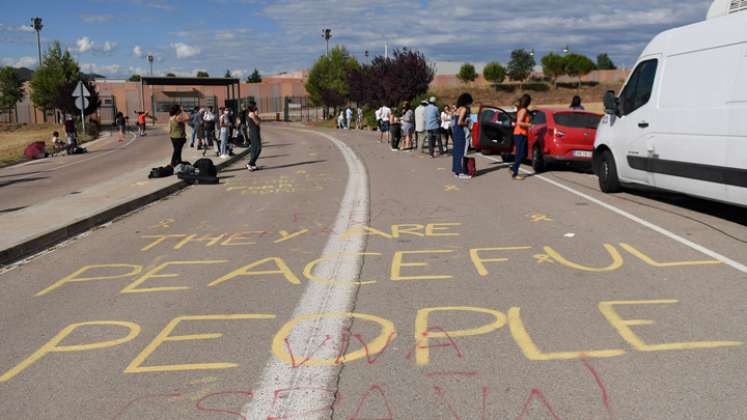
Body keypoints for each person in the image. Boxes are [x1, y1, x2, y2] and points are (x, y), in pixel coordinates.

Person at [451, 93, 473, 179]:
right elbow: (460, 122)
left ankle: (456, 171)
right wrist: (467, 123)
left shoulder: (458, 108)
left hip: (456, 131)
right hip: (460, 131)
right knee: (461, 151)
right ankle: (461, 172)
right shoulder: (464, 109)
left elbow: (454, 119)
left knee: (456, 152)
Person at [512, 94, 532, 180]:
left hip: (520, 134)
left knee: (521, 153)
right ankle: (515, 173)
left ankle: (514, 168)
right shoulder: (523, 110)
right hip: (520, 133)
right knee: (520, 154)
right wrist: (529, 124)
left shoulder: (522, 109)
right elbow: (519, 122)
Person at [246, 102, 262, 171]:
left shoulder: (252, 114)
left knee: (254, 149)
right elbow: (257, 122)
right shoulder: (252, 114)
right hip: (254, 133)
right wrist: (256, 115)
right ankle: (250, 163)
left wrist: (257, 116)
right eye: (255, 106)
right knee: (258, 148)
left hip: (254, 133)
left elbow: (260, 121)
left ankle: (252, 164)